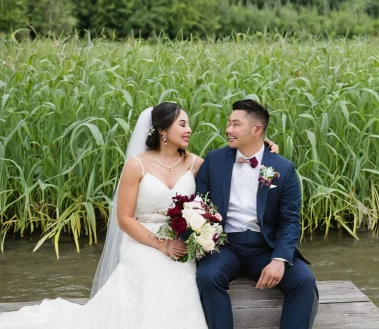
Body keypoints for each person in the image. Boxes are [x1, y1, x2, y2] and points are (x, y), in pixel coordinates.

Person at [0, 102, 278, 329]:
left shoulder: (196, 163)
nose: (189, 129)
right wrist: (161, 244)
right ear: (162, 130)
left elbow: (232, 162)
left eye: (189, 124)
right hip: (143, 240)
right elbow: (125, 219)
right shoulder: (137, 166)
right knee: (153, 270)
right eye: (183, 124)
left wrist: (263, 145)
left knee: (183, 269)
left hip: (180, 240)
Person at [196, 99, 318, 329]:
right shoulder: (214, 160)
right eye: (228, 124)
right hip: (225, 245)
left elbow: (291, 220)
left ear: (257, 130)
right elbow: (199, 205)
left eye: (235, 124)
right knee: (207, 277)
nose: (228, 130)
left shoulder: (282, 168)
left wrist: (280, 259)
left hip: (266, 246)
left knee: (304, 281)